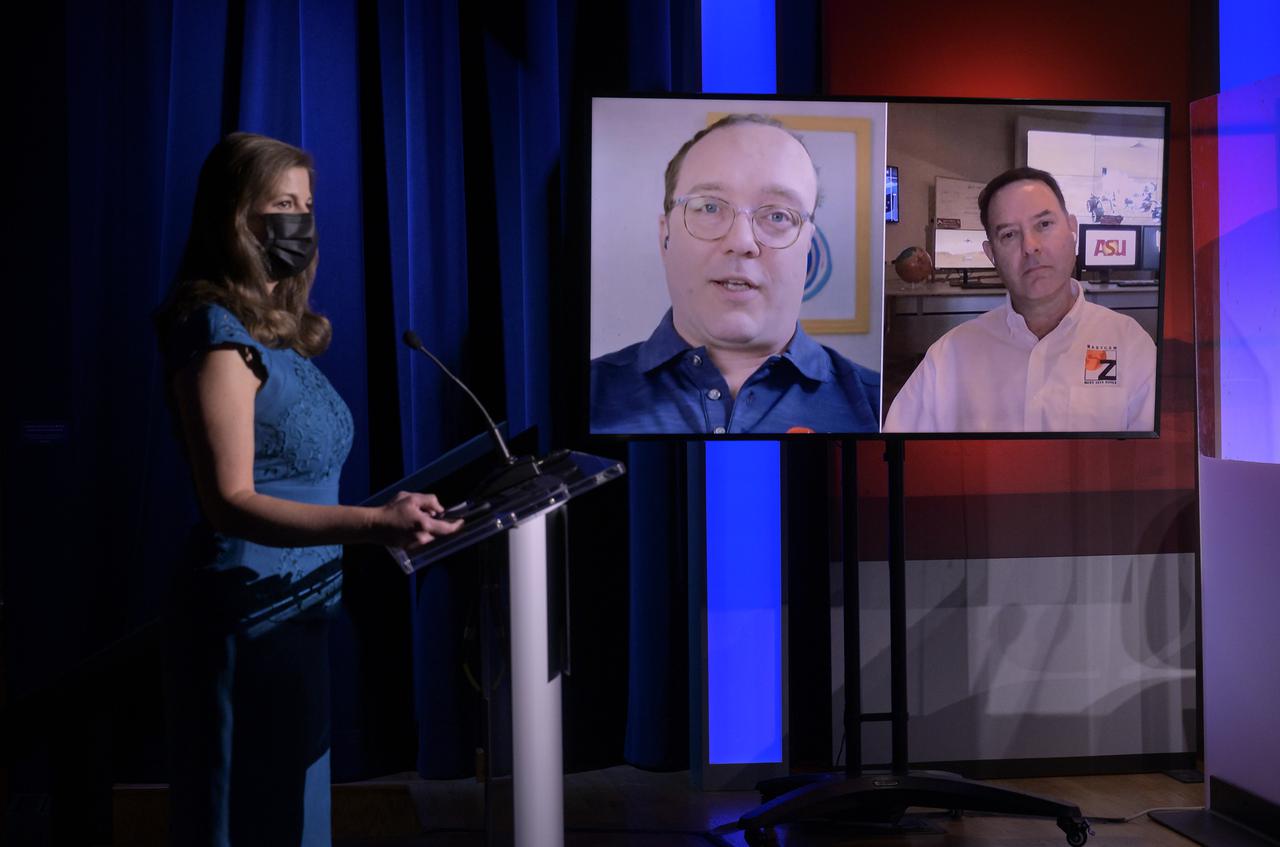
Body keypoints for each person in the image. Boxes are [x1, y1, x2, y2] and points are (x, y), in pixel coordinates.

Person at [154, 132, 460, 846]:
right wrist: (375, 523)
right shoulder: (216, 334)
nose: (301, 222)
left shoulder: (277, 334)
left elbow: (309, 479)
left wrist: (388, 516)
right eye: (282, 205)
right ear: (236, 217)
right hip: (244, 615)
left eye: (307, 206)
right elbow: (228, 498)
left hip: (300, 616)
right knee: (245, 820)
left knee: (295, 821)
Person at [590, 114, 881, 434]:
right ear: (665, 238)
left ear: (808, 248)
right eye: (710, 207)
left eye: (778, 215)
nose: (741, 242)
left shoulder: (881, 408)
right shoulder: (581, 396)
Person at [884, 167, 1156, 433]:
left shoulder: (1131, 345)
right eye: (1009, 235)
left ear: (1072, 230)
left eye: (1044, 224)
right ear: (991, 254)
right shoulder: (948, 358)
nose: (1030, 246)